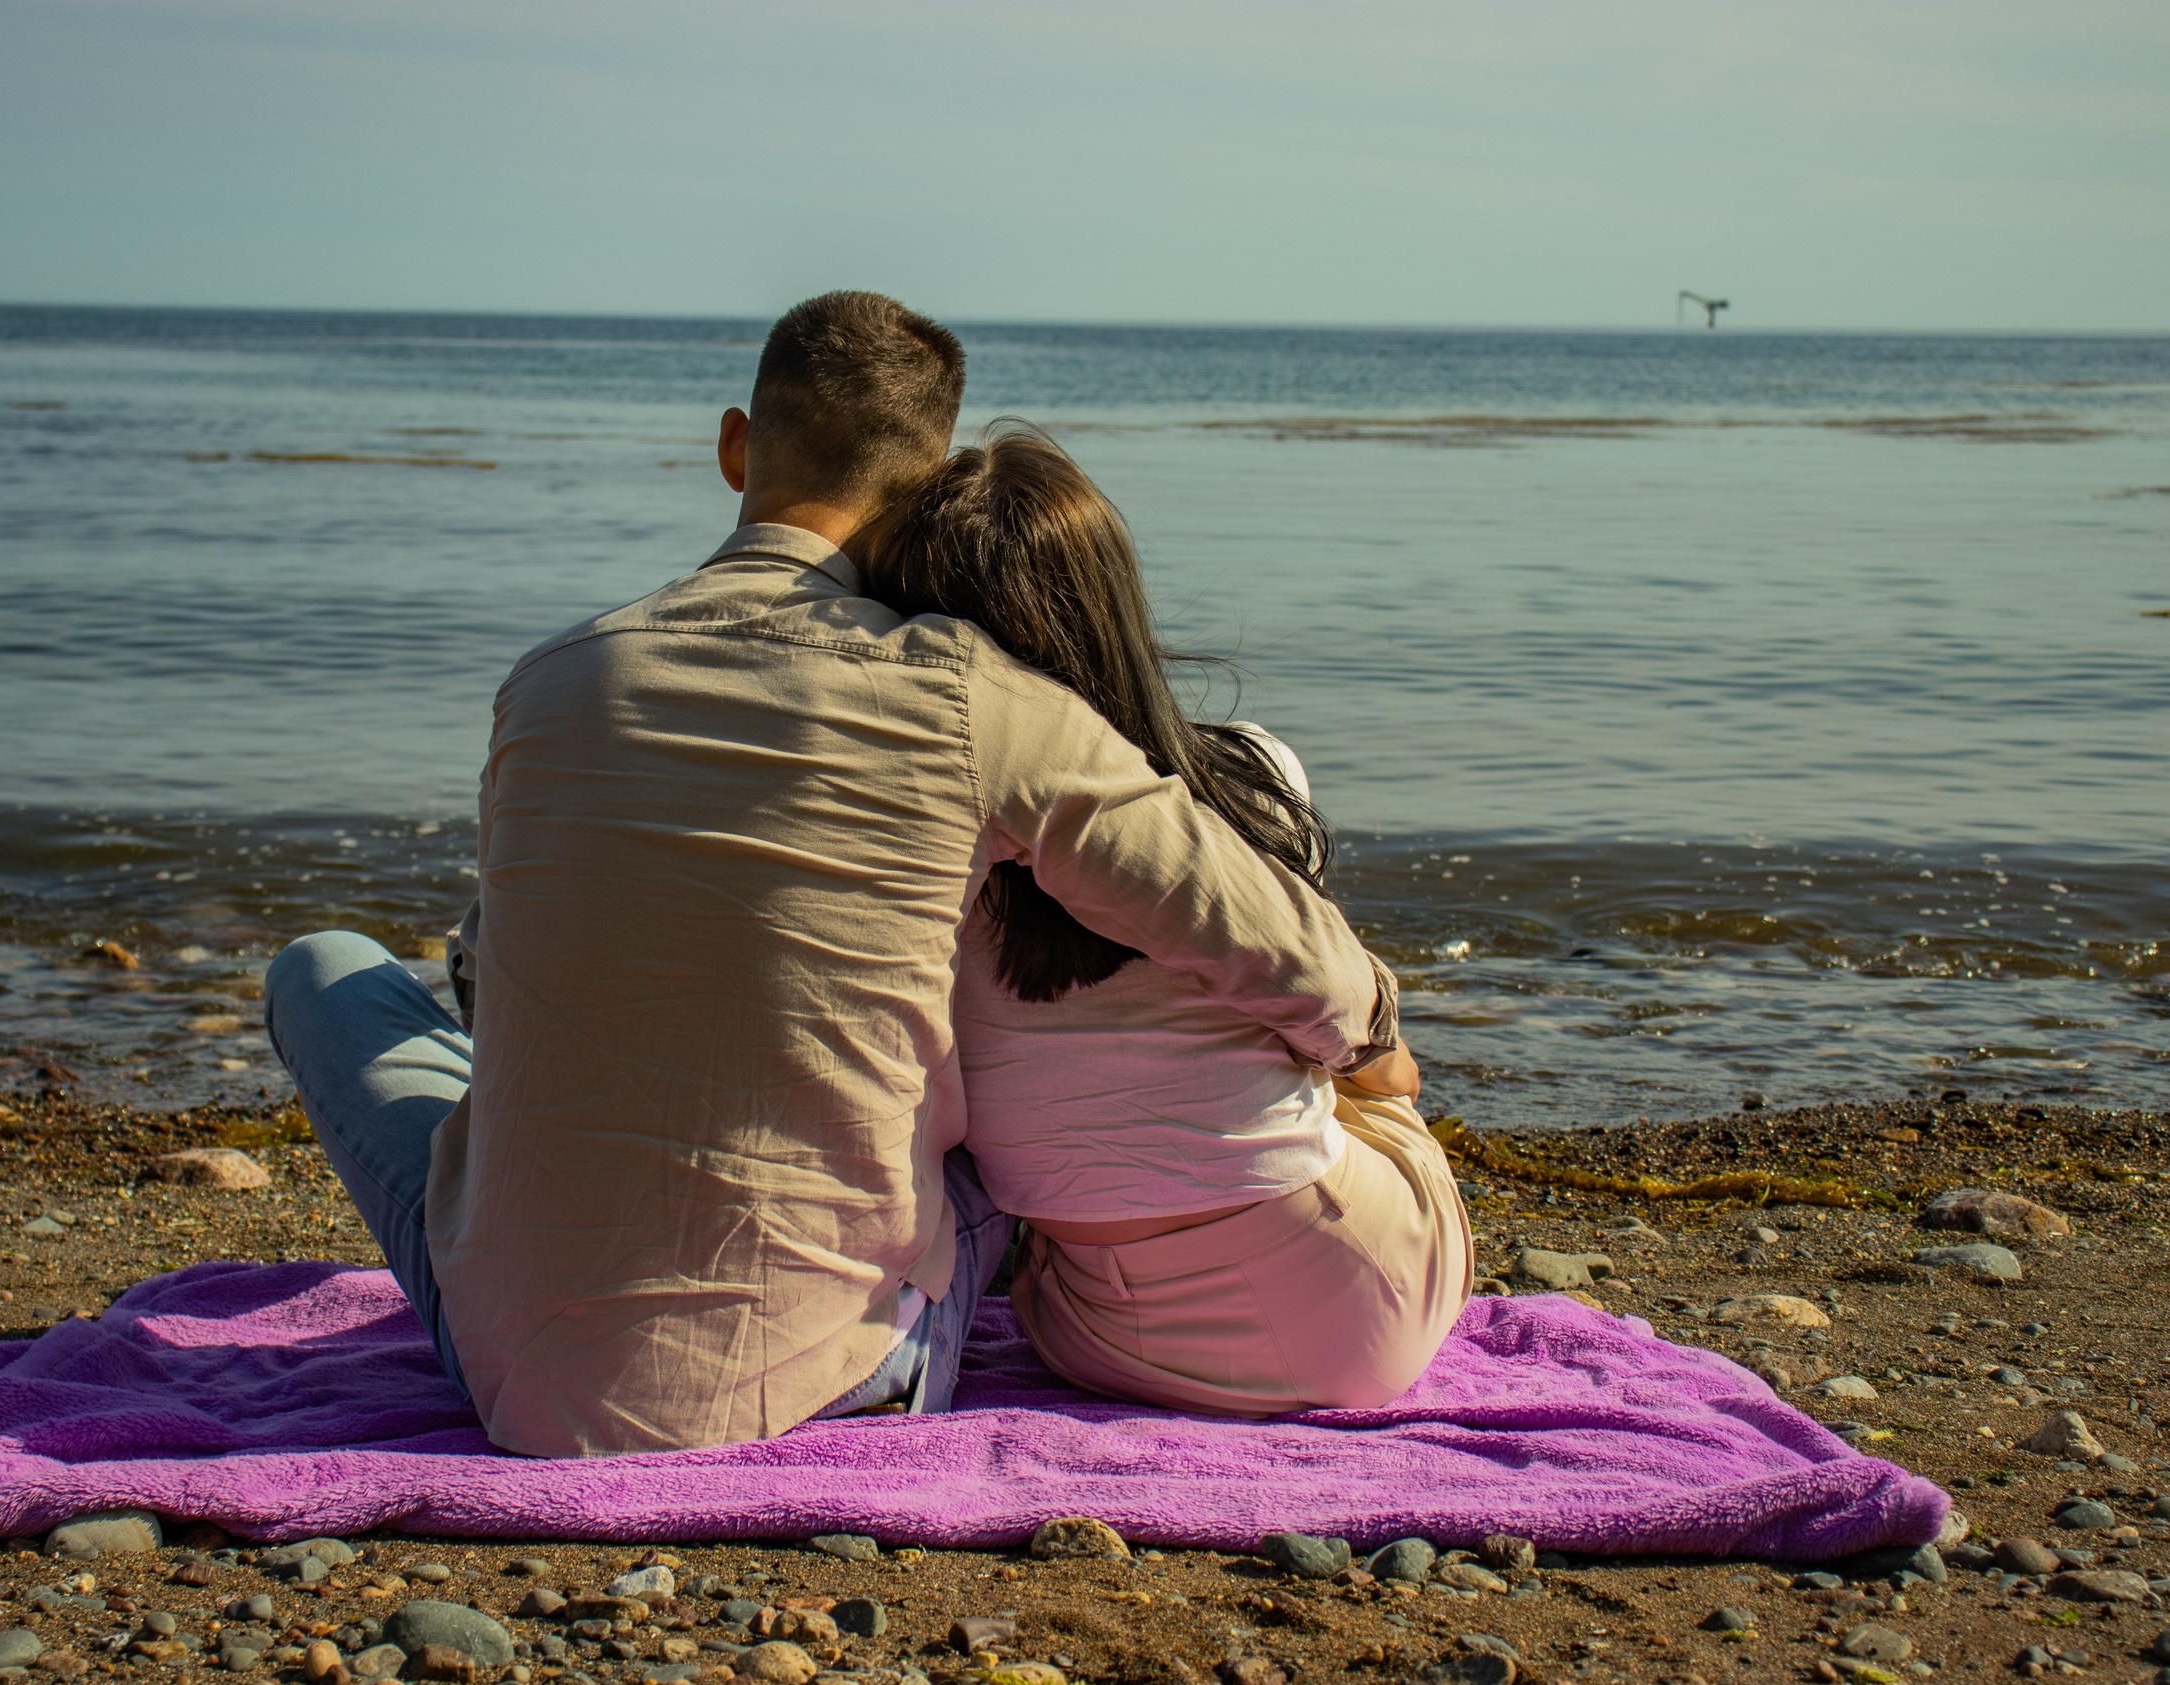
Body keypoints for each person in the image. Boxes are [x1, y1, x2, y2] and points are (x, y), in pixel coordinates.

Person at [264, 291, 1405, 1457]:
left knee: (327, 967)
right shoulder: (966, 692)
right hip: (844, 1374)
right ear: (935, 481)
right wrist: (1371, 1036)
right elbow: (1270, 937)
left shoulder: (548, 682)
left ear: (733, 447)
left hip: (524, 1379)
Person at [850, 425, 1472, 1417]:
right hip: (1359, 1314)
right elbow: (1335, 1026)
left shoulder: (915, 855)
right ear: (1109, 607)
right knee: (1351, 1077)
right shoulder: (1251, 780)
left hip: (1099, 1336)